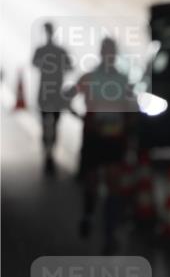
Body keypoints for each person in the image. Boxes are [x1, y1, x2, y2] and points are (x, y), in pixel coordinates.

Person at [66, 37, 138, 253]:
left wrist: (79, 115)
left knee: (98, 182)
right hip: (108, 139)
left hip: (100, 138)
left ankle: (100, 225)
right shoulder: (120, 79)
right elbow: (132, 109)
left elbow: (67, 96)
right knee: (103, 183)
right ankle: (103, 227)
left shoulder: (94, 78)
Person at [31, 22, 73, 174]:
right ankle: (49, 153)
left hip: (47, 92)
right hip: (51, 92)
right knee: (52, 124)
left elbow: (35, 64)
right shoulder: (58, 51)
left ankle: (48, 153)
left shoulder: (43, 51)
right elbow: (69, 66)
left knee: (49, 124)